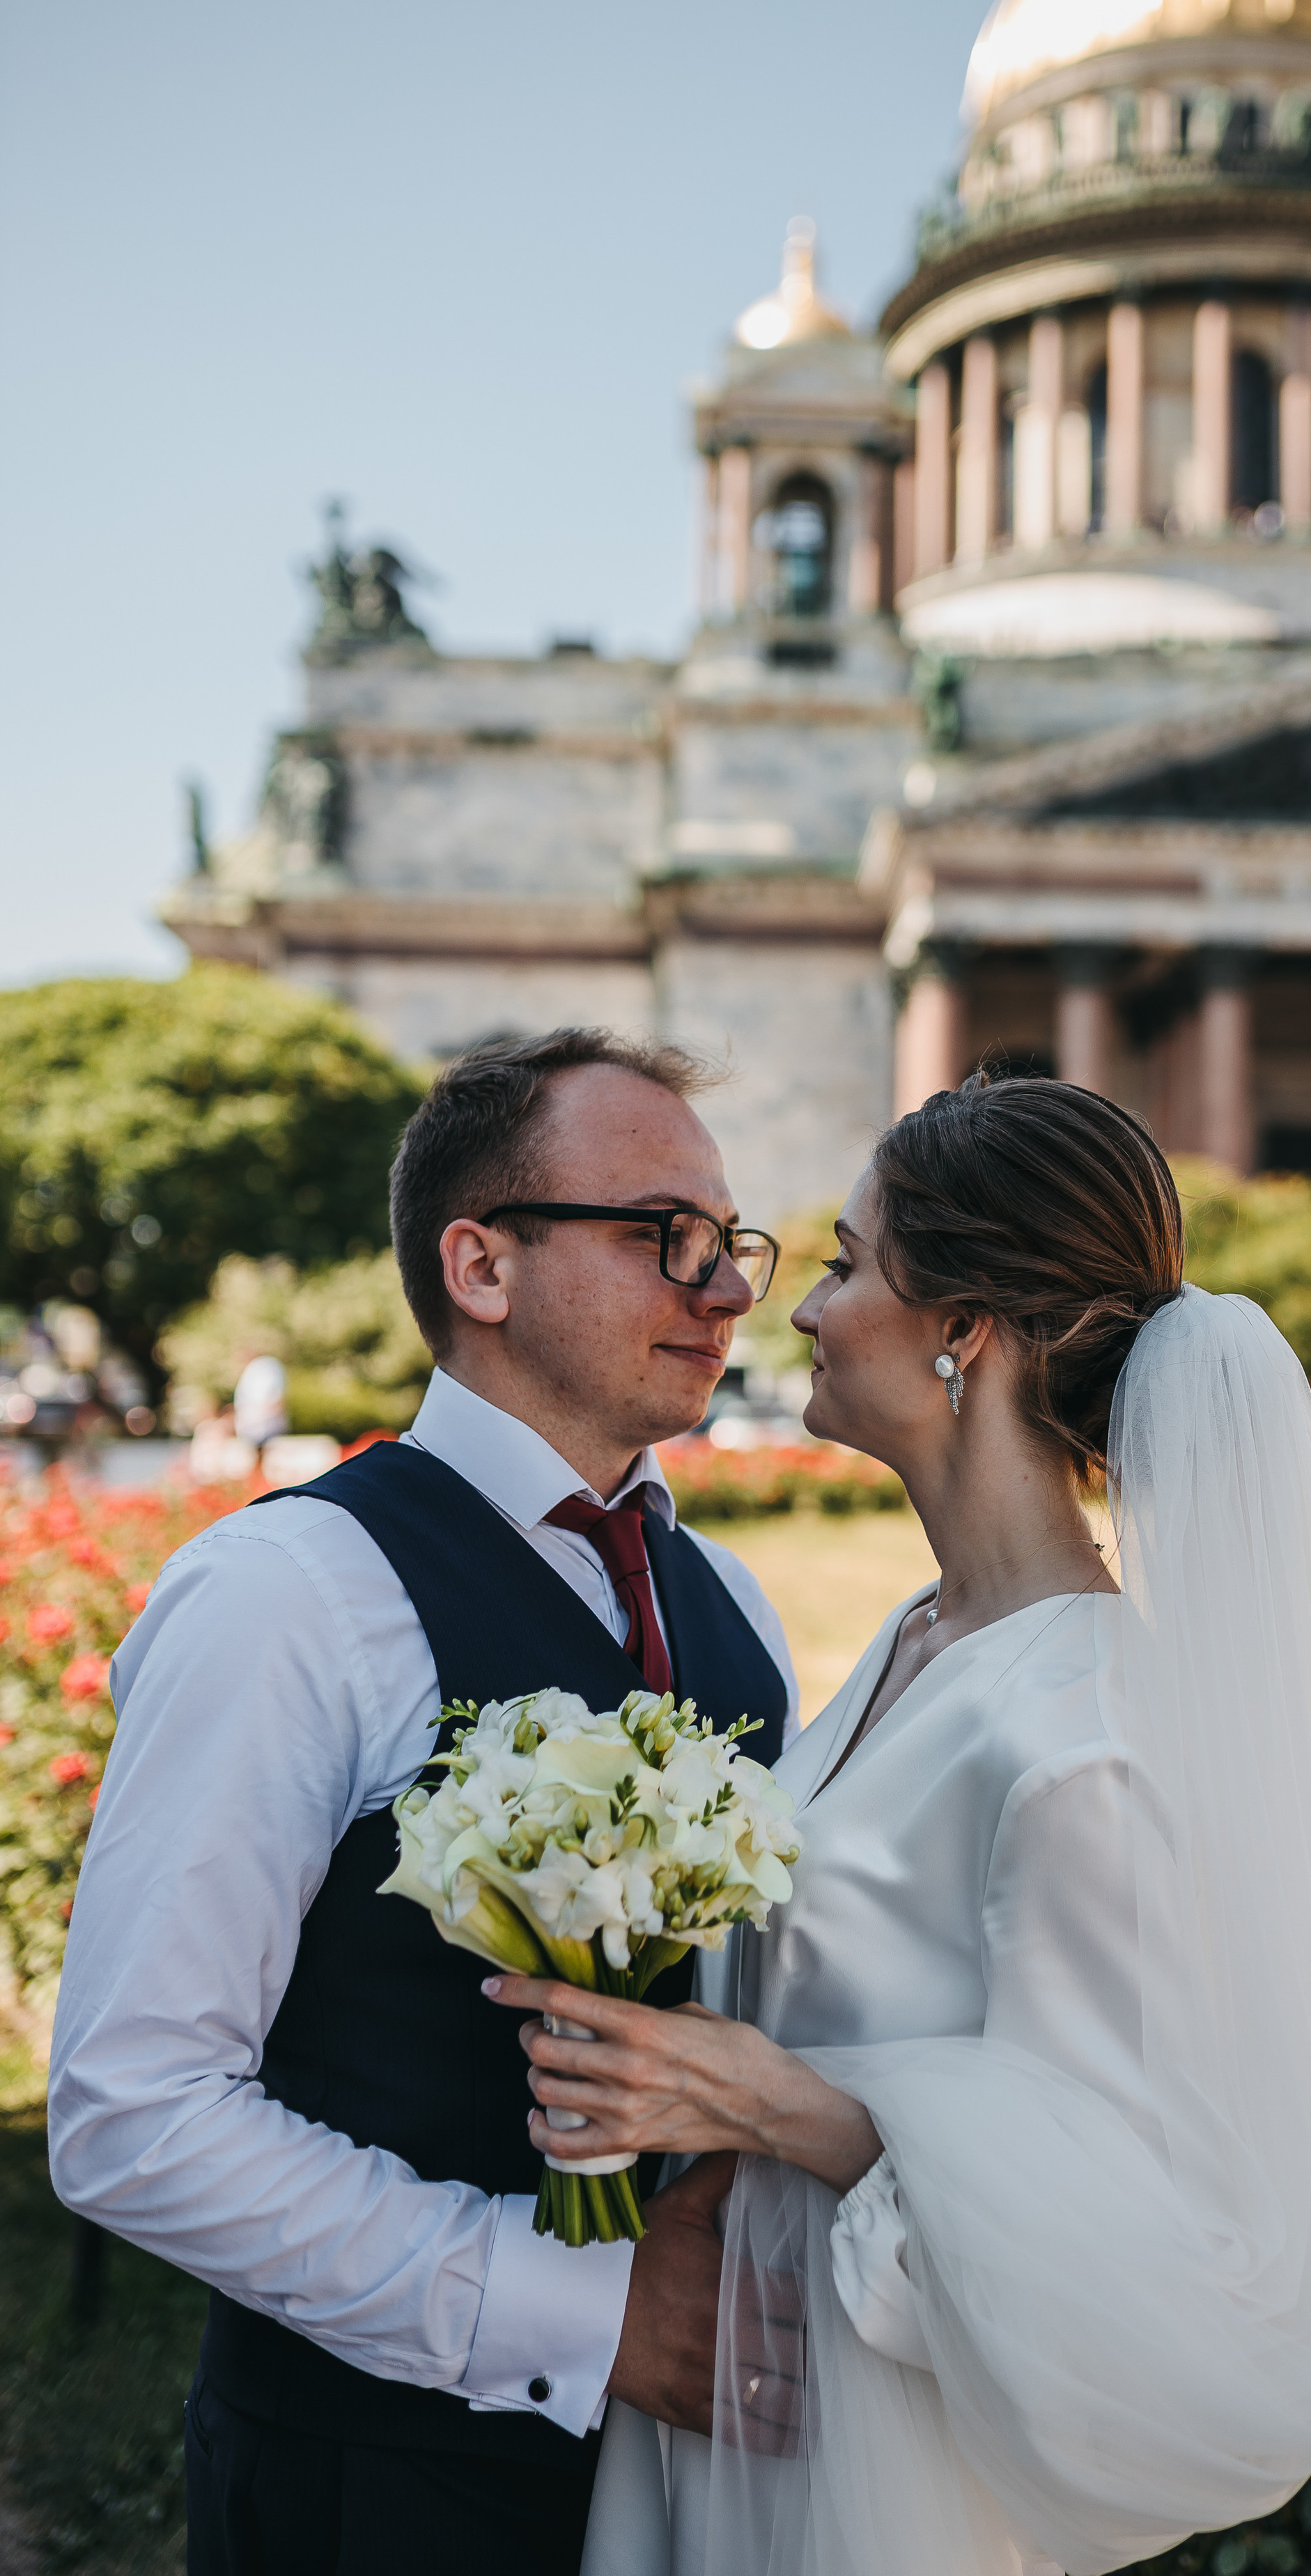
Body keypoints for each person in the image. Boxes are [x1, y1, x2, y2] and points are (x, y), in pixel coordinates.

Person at [490, 1072, 1311, 2576]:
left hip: (899, 2470)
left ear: (960, 1332)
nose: (794, 1309)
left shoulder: (1085, 1732)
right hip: (738, 2403)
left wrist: (758, 2100)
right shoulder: (918, 1642)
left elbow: (1138, 2229)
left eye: (847, 1263)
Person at [48, 1027, 800, 2575]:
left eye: (729, 1245)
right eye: (663, 1238)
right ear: (480, 1265)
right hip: (376, 2493)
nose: (724, 1289)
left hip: (694, 2492)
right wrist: (581, 2313)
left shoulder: (734, 1602)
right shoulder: (287, 1594)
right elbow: (137, 2113)